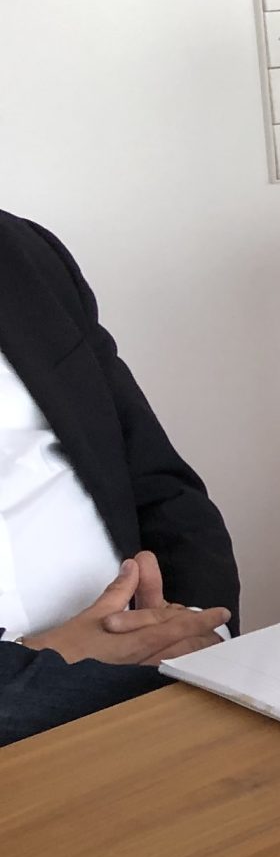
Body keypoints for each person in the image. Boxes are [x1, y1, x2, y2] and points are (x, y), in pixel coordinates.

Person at [0, 210, 236, 746]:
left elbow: (156, 479)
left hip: (162, 682)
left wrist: (197, 626)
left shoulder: (21, 252)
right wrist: (54, 666)